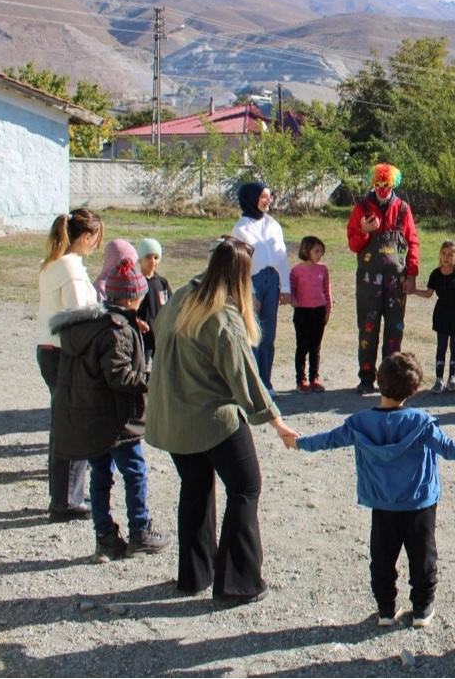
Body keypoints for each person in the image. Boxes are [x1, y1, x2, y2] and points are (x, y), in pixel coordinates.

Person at [289, 352, 455, 628]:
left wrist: (298, 442)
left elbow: (328, 440)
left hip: (382, 502)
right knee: (423, 557)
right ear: (413, 390)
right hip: (419, 503)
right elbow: (450, 449)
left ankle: (386, 610)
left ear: (378, 381)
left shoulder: (359, 423)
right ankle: (423, 610)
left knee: (382, 558)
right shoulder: (422, 423)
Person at [146, 235, 298, 605]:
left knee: (196, 487)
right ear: (240, 275)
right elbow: (245, 374)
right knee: (246, 487)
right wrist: (277, 422)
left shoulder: (182, 295)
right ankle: (238, 581)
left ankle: (196, 574)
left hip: (173, 419)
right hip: (212, 420)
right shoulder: (222, 315)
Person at [50, 258, 171, 561]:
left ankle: (105, 537)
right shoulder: (116, 331)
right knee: (135, 471)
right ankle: (140, 530)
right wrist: (153, 380)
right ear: (132, 296)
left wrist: (135, 330)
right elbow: (120, 376)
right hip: (118, 418)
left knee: (101, 474)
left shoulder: (96, 324)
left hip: (93, 416)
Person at [37, 208, 104, 521]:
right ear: (86, 237)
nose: (96, 246)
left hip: (50, 351)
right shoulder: (72, 270)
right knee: (73, 425)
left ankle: (63, 495)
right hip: (67, 354)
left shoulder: (52, 263)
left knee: (61, 423)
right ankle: (67, 499)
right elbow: (80, 321)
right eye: (96, 239)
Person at [346, 163, 420, 395]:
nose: (381, 189)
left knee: (394, 330)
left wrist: (412, 274)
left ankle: (390, 379)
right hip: (369, 281)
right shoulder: (362, 207)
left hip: (396, 282)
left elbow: (413, 242)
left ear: (393, 184)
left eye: (386, 185)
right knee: (368, 328)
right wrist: (364, 231)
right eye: (377, 185)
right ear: (372, 183)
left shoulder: (402, 209)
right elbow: (352, 244)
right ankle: (366, 377)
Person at [230, 182, 291, 394]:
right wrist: (250, 294)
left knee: (269, 333)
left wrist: (286, 287)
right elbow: (239, 265)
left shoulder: (273, 225)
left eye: (269, 196)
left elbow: (282, 257)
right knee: (253, 332)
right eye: (263, 196)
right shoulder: (241, 228)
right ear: (252, 199)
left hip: (272, 281)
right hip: (253, 282)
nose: (268, 200)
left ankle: (266, 380)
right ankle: (254, 383)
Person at [411, 240, 455, 393]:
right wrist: (413, 291)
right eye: (444, 254)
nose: (446, 257)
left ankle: (452, 378)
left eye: (451, 254)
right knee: (441, 345)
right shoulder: (435, 274)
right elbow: (428, 293)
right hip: (442, 313)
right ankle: (439, 379)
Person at [290, 235, 332, 393]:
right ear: (305, 251)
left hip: (319, 311)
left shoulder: (323, 269)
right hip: (302, 312)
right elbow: (291, 290)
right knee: (302, 346)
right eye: (316, 251)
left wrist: (328, 309)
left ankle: (314, 378)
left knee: (315, 347)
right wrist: (293, 300)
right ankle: (301, 380)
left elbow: (327, 290)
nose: (319, 254)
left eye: (321, 251)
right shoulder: (296, 271)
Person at [135, 238, 171, 362]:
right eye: (148, 257)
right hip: (144, 335)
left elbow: (170, 305)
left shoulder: (162, 282)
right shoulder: (136, 282)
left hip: (160, 334)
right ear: (140, 259)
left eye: (156, 257)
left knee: (162, 367)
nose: (152, 261)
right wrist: (138, 321)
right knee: (142, 366)